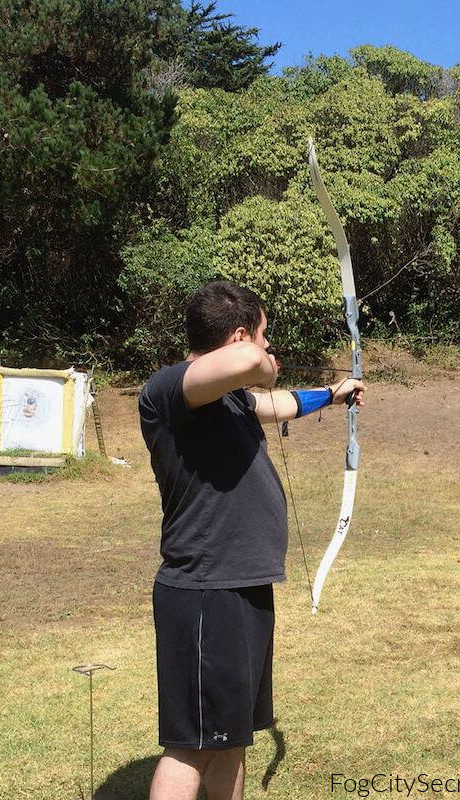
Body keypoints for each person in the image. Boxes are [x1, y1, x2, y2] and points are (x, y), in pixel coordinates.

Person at [139, 280, 365, 800]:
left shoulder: (230, 402)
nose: (270, 350)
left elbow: (278, 404)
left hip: (241, 585)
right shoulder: (173, 389)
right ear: (241, 336)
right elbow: (247, 366)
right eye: (265, 337)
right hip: (203, 591)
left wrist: (332, 394)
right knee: (193, 744)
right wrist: (258, 358)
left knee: (231, 738)